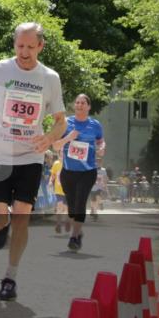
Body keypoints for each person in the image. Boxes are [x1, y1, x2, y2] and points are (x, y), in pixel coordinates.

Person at [0, 22, 66, 301]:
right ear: (14, 45)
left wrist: (48, 138)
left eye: (30, 47)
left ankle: (10, 277)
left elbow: (60, 122)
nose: (24, 52)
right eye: (20, 46)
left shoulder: (50, 78)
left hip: (30, 157)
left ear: (41, 46)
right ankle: (1, 228)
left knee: (22, 214)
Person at [51, 94, 105, 250]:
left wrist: (101, 148)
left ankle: (74, 237)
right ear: (75, 105)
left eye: (83, 103)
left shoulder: (95, 125)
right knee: (73, 206)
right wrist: (68, 138)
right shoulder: (66, 123)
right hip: (68, 171)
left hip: (87, 171)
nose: (80, 105)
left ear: (88, 107)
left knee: (80, 203)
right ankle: (78, 231)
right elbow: (55, 146)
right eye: (77, 102)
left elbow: (101, 141)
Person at [49, 154, 70, 234]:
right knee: (59, 206)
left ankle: (67, 221)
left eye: (63, 152)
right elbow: (53, 174)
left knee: (67, 209)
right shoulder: (56, 164)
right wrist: (51, 181)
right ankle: (58, 223)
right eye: (60, 152)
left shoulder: (70, 163)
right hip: (58, 190)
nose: (62, 154)